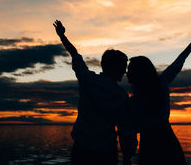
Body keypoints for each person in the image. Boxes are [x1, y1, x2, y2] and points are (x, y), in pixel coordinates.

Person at [53, 20, 134, 165]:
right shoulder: (122, 95)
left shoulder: (87, 79)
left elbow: (74, 53)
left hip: (82, 150)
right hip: (106, 152)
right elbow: (124, 128)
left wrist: (62, 36)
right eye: (123, 67)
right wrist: (127, 157)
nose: (125, 71)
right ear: (115, 67)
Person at [126, 37, 191, 165]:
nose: (127, 73)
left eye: (130, 70)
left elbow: (177, 65)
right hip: (167, 142)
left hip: (151, 147)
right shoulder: (160, 85)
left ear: (138, 73)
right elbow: (177, 65)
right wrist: (190, 46)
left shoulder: (134, 101)